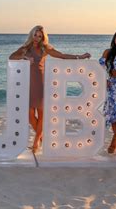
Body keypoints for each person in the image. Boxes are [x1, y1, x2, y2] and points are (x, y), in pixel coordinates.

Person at [9, 25, 91, 153]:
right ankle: (42, 138)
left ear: (43, 38)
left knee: (41, 114)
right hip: (28, 84)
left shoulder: (44, 48)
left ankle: (36, 142)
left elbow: (62, 56)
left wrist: (79, 57)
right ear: (31, 35)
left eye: (40, 36)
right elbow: (11, 57)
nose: (37, 38)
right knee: (30, 115)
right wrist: (24, 58)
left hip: (40, 83)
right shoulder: (25, 49)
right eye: (35, 35)